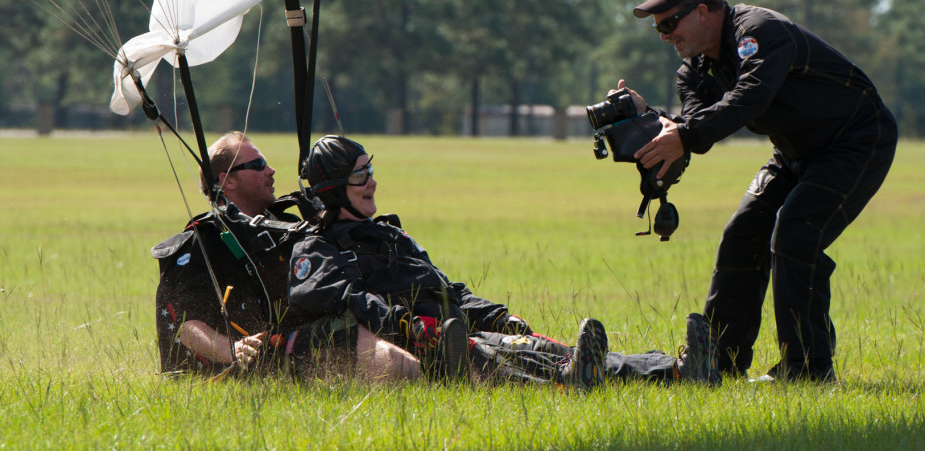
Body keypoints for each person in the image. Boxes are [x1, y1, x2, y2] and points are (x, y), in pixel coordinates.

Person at [623, 0, 898, 382]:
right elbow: (698, 125)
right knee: (742, 233)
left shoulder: (759, 31)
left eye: (668, 22)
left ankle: (807, 371)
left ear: (702, 11)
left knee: (795, 231)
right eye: (658, 27)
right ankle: (718, 364)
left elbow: (750, 98)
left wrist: (686, 133)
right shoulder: (694, 70)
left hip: (856, 140)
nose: (664, 34)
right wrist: (649, 121)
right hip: (794, 152)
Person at [288, 134, 719, 388]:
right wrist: (405, 324)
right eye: (361, 175)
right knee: (507, 360)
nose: (373, 182)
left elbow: (448, 289)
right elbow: (328, 299)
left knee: (541, 347)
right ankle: (566, 384)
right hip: (436, 345)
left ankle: (676, 370)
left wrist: (496, 314)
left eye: (370, 170)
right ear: (334, 189)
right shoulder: (318, 248)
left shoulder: (389, 233)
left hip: (459, 325)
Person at [152, 131, 420, 382]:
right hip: (255, 358)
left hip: (295, 338)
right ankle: (419, 376)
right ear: (227, 180)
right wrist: (232, 350)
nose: (271, 171)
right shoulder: (201, 240)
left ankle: (437, 351)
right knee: (348, 332)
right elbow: (185, 324)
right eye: (258, 165)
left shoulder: (287, 225)